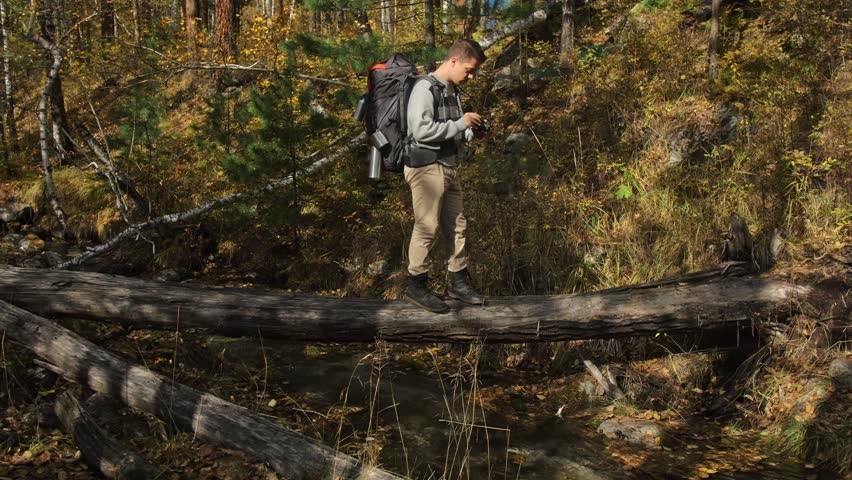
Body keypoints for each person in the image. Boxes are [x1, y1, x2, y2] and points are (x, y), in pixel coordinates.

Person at [403, 39, 486, 314]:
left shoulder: (452, 90)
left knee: (457, 226)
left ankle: (457, 282)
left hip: (449, 166)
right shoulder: (424, 88)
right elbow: (420, 131)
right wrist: (460, 123)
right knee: (427, 227)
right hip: (426, 167)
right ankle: (416, 285)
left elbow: (452, 129)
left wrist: (471, 129)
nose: (471, 76)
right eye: (469, 70)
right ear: (453, 61)